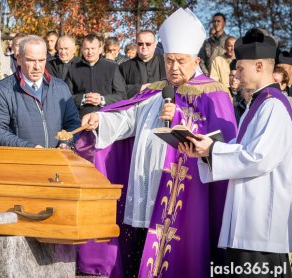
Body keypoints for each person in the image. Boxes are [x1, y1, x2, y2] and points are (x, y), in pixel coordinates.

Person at [76, 8, 237, 278]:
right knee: (139, 244)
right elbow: (128, 119)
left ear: (196, 59)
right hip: (144, 185)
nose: (173, 68)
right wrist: (100, 120)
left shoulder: (213, 93)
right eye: (170, 60)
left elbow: (222, 142)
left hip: (184, 195)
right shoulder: (154, 91)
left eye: (181, 61)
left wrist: (182, 118)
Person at [179, 28, 292, 278]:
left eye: (240, 68)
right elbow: (242, 148)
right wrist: (205, 149)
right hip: (246, 218)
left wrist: (213, 150)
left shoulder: (274, 106)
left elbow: (258, 158)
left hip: (261, 223)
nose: (236, 75)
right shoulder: (258, 103)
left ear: (260, 65)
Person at [0, 35, 80, 148]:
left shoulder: (60, 88)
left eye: (41, 60)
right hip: (21, 162)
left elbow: (73, 122)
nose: (37, 66)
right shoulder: (2, 91)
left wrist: (66, 142)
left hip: (56, 161)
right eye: (31, 60)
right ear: (19, 59)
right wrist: (29, 149)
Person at [65, 33, 126, 118]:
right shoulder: (72, 69)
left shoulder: (112, 67)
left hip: (107, 118)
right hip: (81, 120)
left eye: (93, 48)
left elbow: (122, 95)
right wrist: (83, 99)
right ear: (82, 49)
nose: (90, 52)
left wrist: (102, 99)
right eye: (86, 49)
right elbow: (66, 96)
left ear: (100, 49)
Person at [119, 30, 166, 98]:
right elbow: (118, 91)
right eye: (140, 44)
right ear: (137, 45)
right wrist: (140, 88)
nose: (144, 46)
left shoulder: (166, 63)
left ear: (155, 45)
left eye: (148, 44)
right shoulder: (124, 67)